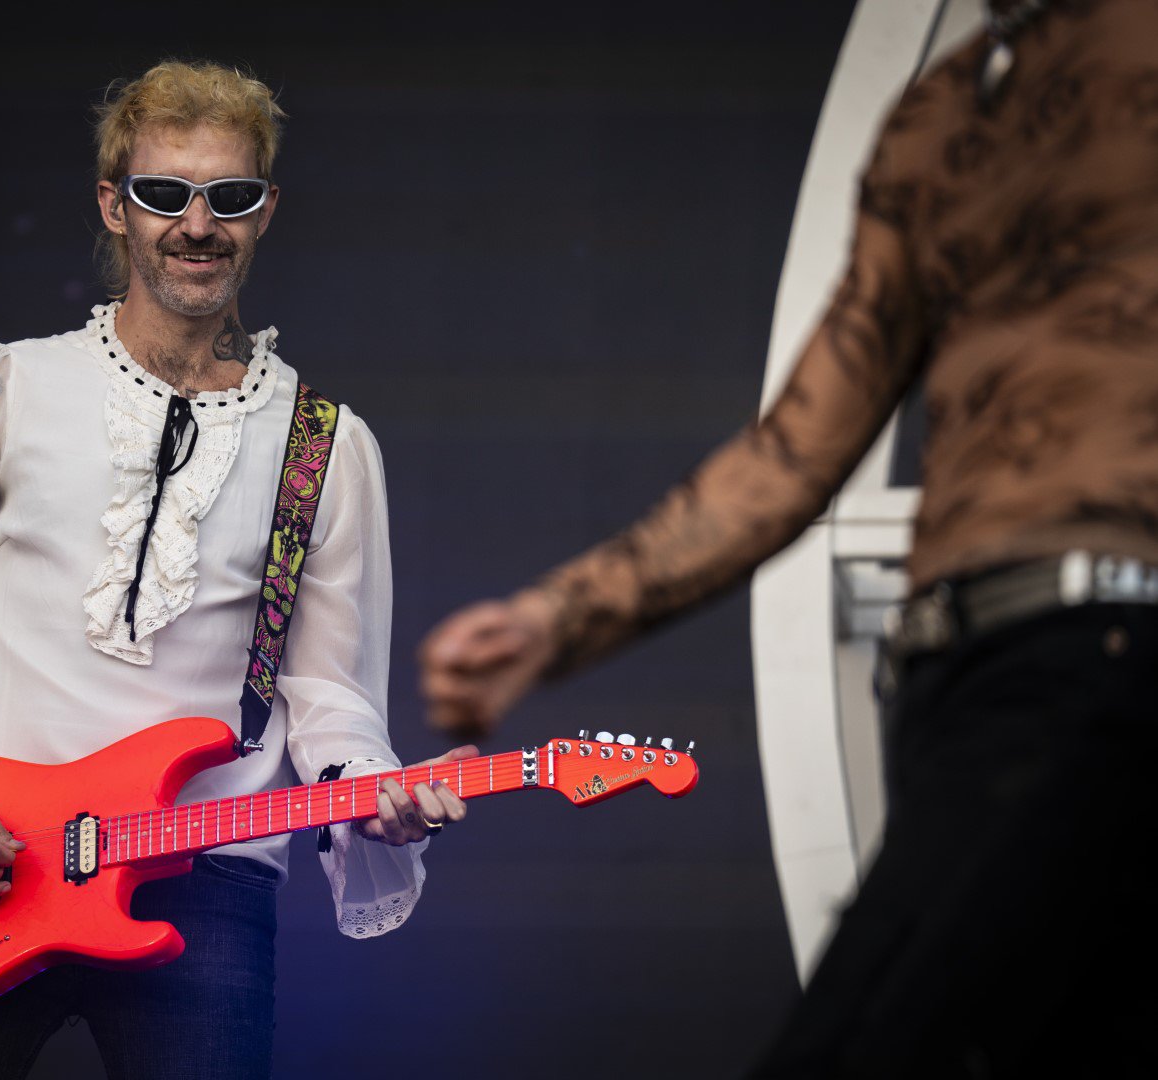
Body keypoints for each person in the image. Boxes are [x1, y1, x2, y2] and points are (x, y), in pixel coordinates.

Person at [420, 1, 1157, 1075]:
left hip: (1097, 655)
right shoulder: (940, 112)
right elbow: (797, 446)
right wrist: (557, 619)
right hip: (961, 681)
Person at [0, 60, 471, 1080]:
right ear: (114, 205)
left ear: (266, 211)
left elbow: (331, 695)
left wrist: (372, 791)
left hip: (202, 875)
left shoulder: (324, 447)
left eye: (230, 196)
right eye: (165, 192)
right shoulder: (13, 384)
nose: (197, 224)